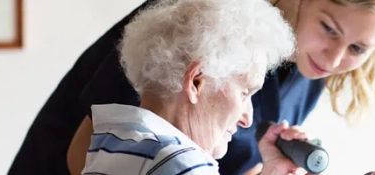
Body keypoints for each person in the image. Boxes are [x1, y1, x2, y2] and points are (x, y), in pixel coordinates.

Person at [7, 0, 375, 174]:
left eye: (357, 48)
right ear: (196, 79)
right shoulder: (205, 22)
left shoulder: (307, 75)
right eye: (328, 28)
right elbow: (93, 158)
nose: (335, 59)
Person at [81, 0, 310, 174]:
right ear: (196, 81)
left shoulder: (110, 142)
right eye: (244, 93)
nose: (247, 119)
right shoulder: (184, 164)